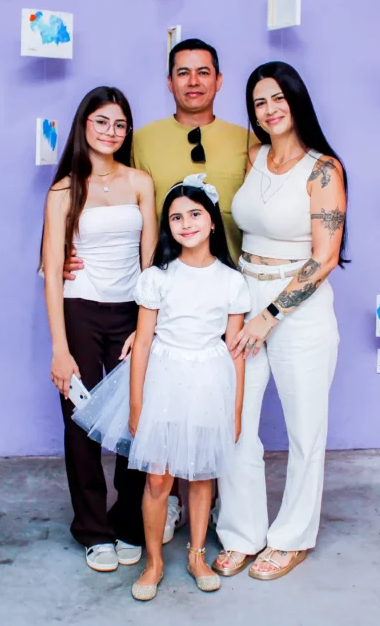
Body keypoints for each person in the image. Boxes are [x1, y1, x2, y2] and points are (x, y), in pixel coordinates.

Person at [65, 38, 257, 542]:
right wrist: (61, 253)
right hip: (159, 294)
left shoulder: (247, 140)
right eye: (182, 72)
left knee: (212, 402)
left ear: (219, 80)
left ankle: (211, 508)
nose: (193, 81)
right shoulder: (143, 139)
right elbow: (108, 195)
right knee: (159, 409)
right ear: (169, 81)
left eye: (203, 71)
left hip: (227, 291)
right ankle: (156, 506)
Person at [71, 174, 250, 601]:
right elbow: (143, 343)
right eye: (175, 217)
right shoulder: (157, 277)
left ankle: (196, 556)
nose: (186, 224)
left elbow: (235, 350)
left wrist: (236, 408)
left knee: (201, 476)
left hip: (208, 381)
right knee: (157, 479)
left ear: (212, 221)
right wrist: (136, 404)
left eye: (195, 214)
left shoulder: (231, 281)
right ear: (167, 226)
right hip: (164, 380)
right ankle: (153, 562)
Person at [213, 61, 348, 581]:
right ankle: (241, 533)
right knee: (234, 421)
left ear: (296, 100)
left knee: (305, 428)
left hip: (298, 307)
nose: (269, 110)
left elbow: (325, 256)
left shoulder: (323, 169)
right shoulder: (253, 157)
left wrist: (270, 314)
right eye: (258, 102)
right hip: (246, 292)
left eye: (277, 98)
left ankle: (292, 538)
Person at [40, 86, 158, 573]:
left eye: (120, 124)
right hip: (80, 311)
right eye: (101, 121)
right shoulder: (63, 191)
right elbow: (52, 272)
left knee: (137, 418)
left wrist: (146, 325)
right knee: (81, 422)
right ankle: (92, 530)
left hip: (131, 312)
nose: (111, 131)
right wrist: (60, 349)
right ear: (84, 125)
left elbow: (152, 264)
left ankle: (128, 522)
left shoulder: (140, 182)